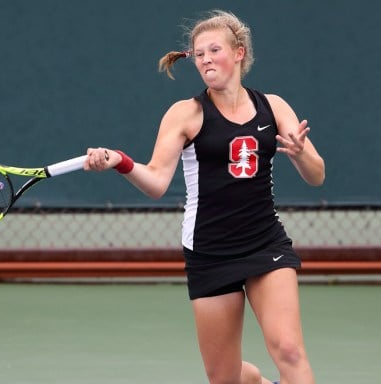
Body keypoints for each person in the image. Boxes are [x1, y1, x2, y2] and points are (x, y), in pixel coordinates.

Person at [85, 10, 324, 384]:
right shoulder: (186, 114)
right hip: (210, 252)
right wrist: (121, 162)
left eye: (215, 50)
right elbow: (157, 183)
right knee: (224, 377)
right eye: (199, 54)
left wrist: (300, 153)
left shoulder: (273, 107)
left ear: (239, 53)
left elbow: (317, 175)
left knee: (290, 350)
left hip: (265, 244)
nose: (206, 59)